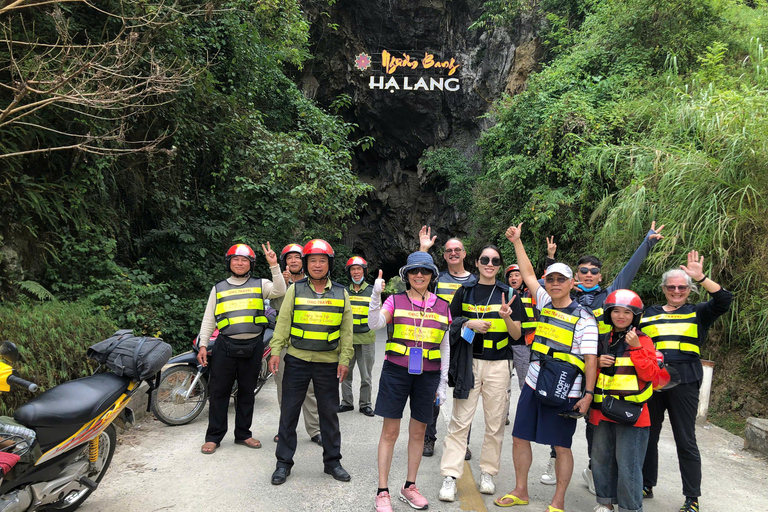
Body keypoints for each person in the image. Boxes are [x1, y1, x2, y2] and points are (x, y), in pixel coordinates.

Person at [542, 223, 664, 492]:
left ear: (600, 275)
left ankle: (593, 469)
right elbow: (543, 283)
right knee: (559, 413)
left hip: (599, 366)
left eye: (593, 271)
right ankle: (554, 459)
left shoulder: (609, 296)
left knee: (595, 422)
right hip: (567, 367)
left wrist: (647, 243)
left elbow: (628, 271)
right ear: (576, 276)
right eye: (583, 271)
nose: (588, 274)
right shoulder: (566, 294)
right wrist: (550, 260)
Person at [494, 223, 598, 512]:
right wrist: (517, 241)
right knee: (519, 437)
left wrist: (587, 395)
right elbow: (527, 274)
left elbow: (591, 360)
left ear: (571, 284)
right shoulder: (545, 302)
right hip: (534, 382)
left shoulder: (584, 319)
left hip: (565, 389)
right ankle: (521, 490)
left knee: (561, 446)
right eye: (550, 279)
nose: (554, 283)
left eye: (560, 280)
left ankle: (558, 501)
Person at [640, 250, 732, 512]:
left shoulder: (699, 312)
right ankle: (647, 484)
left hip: (686, 381)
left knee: (685, 439)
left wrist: (701, 276)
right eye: (672, 287)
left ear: (689, 289)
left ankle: (692, 498)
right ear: (664, 288)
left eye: (682, 287)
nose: (677, 291)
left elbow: (724, 300)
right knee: (648, 434)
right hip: (654, 381)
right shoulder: (649, 313)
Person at [438, 246, 523, 502]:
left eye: (495, 260)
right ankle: (450, 476)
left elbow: (517, 335)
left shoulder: (509, 294)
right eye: (485, 259)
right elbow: (448, 322)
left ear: (499, 265)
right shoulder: (465, 291)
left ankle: (488, 472)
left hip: (499, 365)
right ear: (477, 262)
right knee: (460, 421)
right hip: (470, 363)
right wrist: (467, 323)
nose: (490, 263)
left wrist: (507, 317)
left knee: (495, 423)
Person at [367, 252, 450, 512]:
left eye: (425, 271)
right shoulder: (394, 300)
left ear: (432, 276)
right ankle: (382, 491)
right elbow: (374, 323)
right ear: (406, 275)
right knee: (390, 432)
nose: (419, 275)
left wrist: (442, 383)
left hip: (428, 375)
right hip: (396, 371)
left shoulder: (443, 305)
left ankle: (409, 487)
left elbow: (445, 346)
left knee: (418, 432)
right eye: (414, 271)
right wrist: (375, 296)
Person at [268, 239, 354, 485]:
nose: (317, 265)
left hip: (328, 363)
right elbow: (283, 322)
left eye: (322, 260)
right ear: (306, 264)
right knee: (289, 413)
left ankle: (332, 462)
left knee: (329, 414)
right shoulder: (295, 290)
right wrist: (276, 351)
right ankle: (283, 463)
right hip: (297, 360)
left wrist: (345, 359)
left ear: (330, 264)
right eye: (313, 260)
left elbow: (347, 331)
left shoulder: (341, 292)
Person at [198, 243, 287, 455]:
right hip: (225, 346)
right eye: (236, 259)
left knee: (247, 392)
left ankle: (243, 434)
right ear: (229, 262)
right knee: (219, 392)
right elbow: (209, 318)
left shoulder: (261, 284)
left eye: (244, 259)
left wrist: (274, 265)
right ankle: (213, 437)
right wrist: (203, 344)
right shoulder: (218, 288)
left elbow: (280, 290)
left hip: (253, 346)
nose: (240, 263)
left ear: (251, 264)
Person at [590, 289, 660, 512]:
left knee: (629, 466)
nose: (621, 316)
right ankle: (605, 503)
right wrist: (597, 363)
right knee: (601, 461)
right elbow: (587, 373)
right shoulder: (601, 340)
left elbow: (652, 376)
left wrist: (637, 349)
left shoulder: (644, 341)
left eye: (627, 312)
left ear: (635, 316)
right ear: (609, 313)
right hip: (602, 411)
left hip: (633, 414)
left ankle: (630, 509)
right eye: (616, 311)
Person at [418, 226, 477, 459]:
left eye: (457, 250)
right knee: (433, 390)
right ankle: (428, 438)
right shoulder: (437, 279)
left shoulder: (475, 280)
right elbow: (418, 281)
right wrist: (423, 249)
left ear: (464, 254)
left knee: (465, 395)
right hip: (438, 339)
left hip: (466, 344)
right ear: (443, 256)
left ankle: (462, 441)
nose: (453, 253)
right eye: (448, 251)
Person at [272, 243, 321, 446]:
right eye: (290, 258)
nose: (293, 261)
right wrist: (281, 286)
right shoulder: (278, 282)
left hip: (308, 341)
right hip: (285, 341)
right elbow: (276, 307)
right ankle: (285, 427)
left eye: (297, 257)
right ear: (285, 262)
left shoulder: (314, 282)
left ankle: (315, 429)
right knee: (284, 386)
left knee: (310, 388)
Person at [339, 256, 376, 417]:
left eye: (359, 269)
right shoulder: (343, 291)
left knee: (366, 375)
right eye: (353, 269)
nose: (356, 272)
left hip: (366, 338)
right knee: (345, 372)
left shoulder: (373, 291)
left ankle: (365, 404)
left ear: (364, 271)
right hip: (347, 339)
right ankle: (346, 402)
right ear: (349, 272)